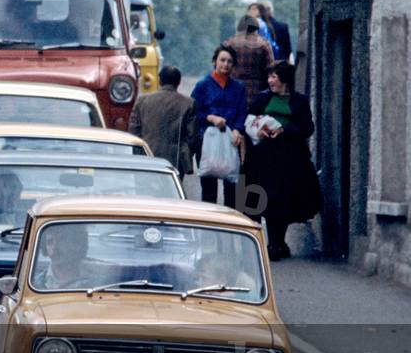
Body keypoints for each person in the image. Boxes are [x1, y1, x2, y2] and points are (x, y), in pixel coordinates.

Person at [242, 61, 321, 260]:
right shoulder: (261, 99)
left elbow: (307, 128)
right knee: (261, 200)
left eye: (274, 77)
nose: (270, 81)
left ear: (284, 80)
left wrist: (284, 130)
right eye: (269, 77)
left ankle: (277, 243)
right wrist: (259, 130)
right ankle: (264, 243)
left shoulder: (300, 102)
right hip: (263, 158)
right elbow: (249, 121)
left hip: (290, 159)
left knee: (282, 201)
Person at [190, 45, 247, 208]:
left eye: (230, 61)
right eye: (222, 60)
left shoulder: (239, 88)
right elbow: (193, 113)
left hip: (230, 140)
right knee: (208, 188)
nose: (226, 64)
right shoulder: (203, 85)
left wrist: (237, 129)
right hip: (206, 140)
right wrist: (210, 117)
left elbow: (242, 112)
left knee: (232, 187)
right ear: (215, 62)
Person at [128, 65, 197, 178]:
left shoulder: (142, 101)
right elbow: (192, 137)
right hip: (175, 162)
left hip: (147, 159)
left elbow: (134, 132)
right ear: (178, 82)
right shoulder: (188, 104)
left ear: (160, 81)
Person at [224, 10, 274, 110]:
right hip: (257, 90)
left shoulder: (229, 42)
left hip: (233, 88)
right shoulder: (264, 43)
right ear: (255, 26)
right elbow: (271, 68)